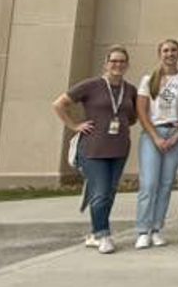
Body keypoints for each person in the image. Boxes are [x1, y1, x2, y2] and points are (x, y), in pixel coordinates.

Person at [53, 46, 137, 254]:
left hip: (119, 148)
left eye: (122, 61)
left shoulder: (130, 89)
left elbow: (133, 117)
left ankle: (94, 232)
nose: (118, 65)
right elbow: (59, 104)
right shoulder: (91, 86)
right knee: (99, 192)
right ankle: (103, 234)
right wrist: (74, 125)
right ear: (106, 64)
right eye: (114, 61)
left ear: (127, 64)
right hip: (93, 148)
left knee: (109, 192)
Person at [134, 38, 178, 249]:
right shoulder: (148, 80)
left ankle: (156, 228)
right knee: (149, 184)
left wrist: (177, 135)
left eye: (173, 50)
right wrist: (155, 137)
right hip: (153, 134)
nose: (169, 54)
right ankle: (143, 230)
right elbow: (142, 111)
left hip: (176, 134)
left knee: (165, 184)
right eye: (165, 50)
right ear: (159, 53)